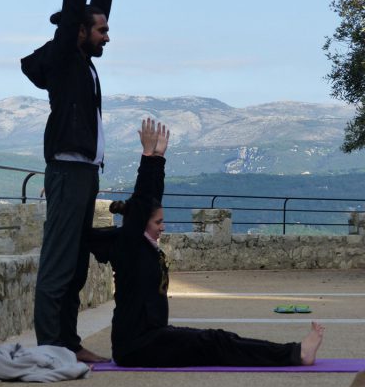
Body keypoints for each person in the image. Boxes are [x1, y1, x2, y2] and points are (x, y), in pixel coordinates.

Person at [90, 118, 325, 367]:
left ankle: (294, 353)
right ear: (140, 224)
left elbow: (151, 199)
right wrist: (148, 157)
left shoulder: (143, 247)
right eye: (158, 222)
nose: (163, 227)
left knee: (218, 341)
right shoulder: (130, 245)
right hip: (136, 347)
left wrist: (159, 157)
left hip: (151, 339)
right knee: (217, 341)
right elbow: (143, 200)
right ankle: (296, 354)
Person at [24, 0, 125, 363]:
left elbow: (90, 12)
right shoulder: (67, 57)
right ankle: (51, 346)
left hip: (84, 172)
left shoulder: (82, 60)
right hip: (67, 170)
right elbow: (75, 10)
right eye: (100, 31)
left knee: (76, 263)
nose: (106, 35)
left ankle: (68, 341)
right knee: (59, 262)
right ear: (79, 33)